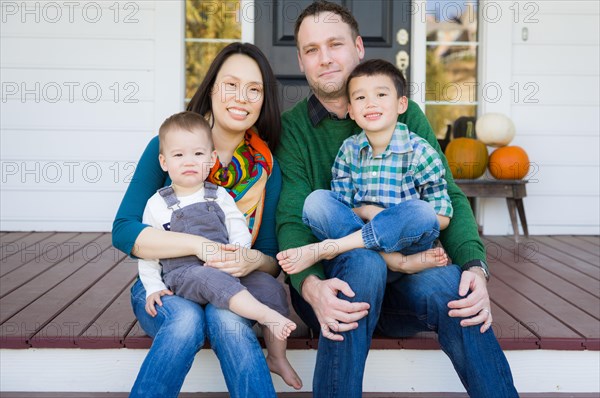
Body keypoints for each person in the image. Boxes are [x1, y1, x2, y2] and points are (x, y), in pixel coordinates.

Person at [275, 1, 519, 397]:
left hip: (405, 283)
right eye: (311, 49)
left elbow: (446, 195)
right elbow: (290, 216)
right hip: (332, 283)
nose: (325, 59)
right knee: (360, 260)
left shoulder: (406, 115)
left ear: (358, 47)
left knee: (452, 285)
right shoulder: (292, 128)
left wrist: (475, 266)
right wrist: (309, 287)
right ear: (301, 61)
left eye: (334, 44)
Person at [113, 43, 298, 398]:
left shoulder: (267, 169)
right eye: (230, 84)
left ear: (264, 100)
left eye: (254, 89)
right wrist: (198, 245)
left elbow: (271, 259)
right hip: (167, 282)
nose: (241, 97)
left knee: (228, 320)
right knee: (185, 321)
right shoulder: (169, 146)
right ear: (211, 87)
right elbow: (124, 230)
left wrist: (250, 260)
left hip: (230, 288)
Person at [137, 111, 301, 389]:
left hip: (225, 268)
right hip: (184, 274)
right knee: (206, 277)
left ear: (211, 159)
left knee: (270, 288)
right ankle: (263, 316)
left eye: (198, 154)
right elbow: (148, 251)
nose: (189, 161)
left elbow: (238, 228)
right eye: (178, 156)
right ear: (164, 162)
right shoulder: (157, 204)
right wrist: (153, 287)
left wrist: (239, 255)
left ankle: (277, 355)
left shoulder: (219, 194)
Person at [277, 59, 451, 277]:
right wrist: (368, 211)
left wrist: (393, 218)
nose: (370, 103)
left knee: (422, 211)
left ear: (402, 104)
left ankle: (327, 249)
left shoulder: (420, 151)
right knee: (316, 202)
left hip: (411, 245)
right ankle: (395, 262)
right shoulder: (349, 150)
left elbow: (442, 217)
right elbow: (343, 213)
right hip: (366, 251)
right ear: (351, 110)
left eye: (381, 95)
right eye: (360, 97)